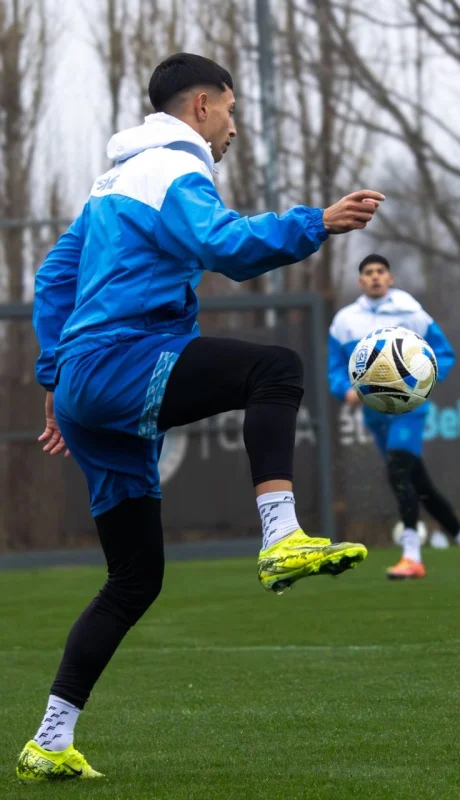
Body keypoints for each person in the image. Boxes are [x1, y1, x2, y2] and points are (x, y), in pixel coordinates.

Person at [16, 53, 383, 781]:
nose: (233, 129)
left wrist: (55, 378)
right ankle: (280, 535)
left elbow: (53, 278)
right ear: (203, 105)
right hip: (123, 359)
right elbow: (223, 246)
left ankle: (48, 742)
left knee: (134, 580)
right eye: (232, 111)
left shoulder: (111, 180)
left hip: (90, 385)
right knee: (275, 369)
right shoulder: (173, 163)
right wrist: (319, 222)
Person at [328, 253, 459, 580]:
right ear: (360, 281)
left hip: (410, 409)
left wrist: (423, 384)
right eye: (368, 272)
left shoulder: (410, 311)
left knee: (399, 469)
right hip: (375, 414)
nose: (374, 277)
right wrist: (344, 389)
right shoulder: (344, 321)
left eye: (380, 271)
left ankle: (412, 557)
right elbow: (334, 370)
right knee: (417, 480)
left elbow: (443, 353)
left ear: (390, 278)